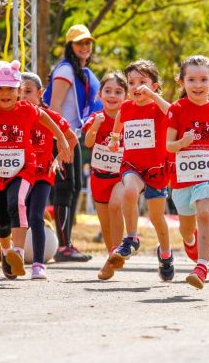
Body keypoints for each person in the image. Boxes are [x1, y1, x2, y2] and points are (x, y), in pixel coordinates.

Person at [0, 60, 70, 279]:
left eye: (11, 89)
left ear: (19, 91)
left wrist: (60, 138)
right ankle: (7, 251)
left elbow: (44, 117)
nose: (5, 93)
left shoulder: (26, 109)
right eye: (0, 89)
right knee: (2, 221)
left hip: (23, 169)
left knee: (17, 202)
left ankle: (19, 254)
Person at [106, 60, 172, 281]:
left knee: (157, 218)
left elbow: (173, 113)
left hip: (157, 169)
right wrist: (114, 140)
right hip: (132, 165)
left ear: (154, 86)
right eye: (131, 82)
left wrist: (154, 97)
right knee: (129, 191)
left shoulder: (158, 106)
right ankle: (131, 237)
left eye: (142, 82)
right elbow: (118, 125)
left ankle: (165, 254)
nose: (136, 87)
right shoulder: (126, 107)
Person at [167, 55, 209, 289]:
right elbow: (168, 145)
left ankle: (202, 266)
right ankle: (190, 240)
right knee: (185, 227)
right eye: (191, 79)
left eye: (204, 79)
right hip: (182, 177)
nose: (198, 85)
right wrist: (182, 142)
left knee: (204, 212)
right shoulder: (176, 109)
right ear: (181, 82)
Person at [44, 24, 102, 262]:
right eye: (79, 43)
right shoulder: (65, 70)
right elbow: (54, 106)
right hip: (62, 135)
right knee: (65, 189)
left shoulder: (80, 70)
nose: (85, 47)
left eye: (88, 42)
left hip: (72, 134)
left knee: (74, 188)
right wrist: (59, 140)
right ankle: (63, 247)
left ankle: (66, 244)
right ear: (70, 46)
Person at [19, 72, 78, 280]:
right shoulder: (12, 115)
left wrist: (59, 158)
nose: (23, 96)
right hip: (17, 176)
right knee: (15, 215)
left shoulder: (49, 116)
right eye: (19, 92)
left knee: (36, 216)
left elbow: (71, 138)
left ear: (40, 93)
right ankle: (11, 257)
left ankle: (38, 264)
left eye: (28, 91)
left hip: (42, 174)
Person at [81, 72, 127, 280]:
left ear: (126, 96)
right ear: (100, 95)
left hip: (122, 176)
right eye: (108, 91)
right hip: (99, 177)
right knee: (105, 222)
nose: (112, 95)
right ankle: (112, 255)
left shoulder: (129, 119)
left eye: (118, 92)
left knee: (115, 206)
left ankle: (118, 252)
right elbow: (88, 143)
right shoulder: (94, 118)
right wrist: (95, 127)